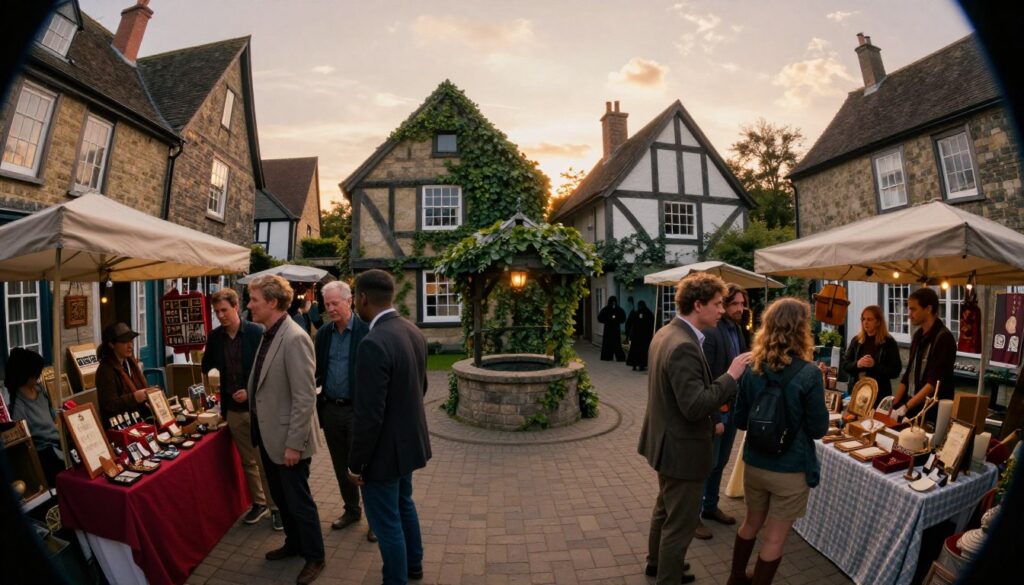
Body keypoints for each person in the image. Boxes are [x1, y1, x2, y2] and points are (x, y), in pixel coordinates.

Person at [637, 273, 751, 585]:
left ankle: (656, 564)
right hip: (681, 450)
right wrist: (730, 375)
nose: (721, 309)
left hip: (665, 443)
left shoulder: (666, 333)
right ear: (697, 305)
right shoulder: (683, 345)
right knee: (681, 524)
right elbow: (694, 405)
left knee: (664, 509)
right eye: (716, 304)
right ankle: (668, 577)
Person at [729, 297, 829, 585]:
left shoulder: (751, 368)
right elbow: (818, 429)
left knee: (750, 523)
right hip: (790, 468)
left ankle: (735, 579)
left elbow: (740, 421)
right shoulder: (809, 373)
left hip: (756, 464)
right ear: (801, 330)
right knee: (774, 538)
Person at [347, 269, 430, 585]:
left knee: (386, 523)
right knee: (404, 504)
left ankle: (396, 579)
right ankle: (415, 565)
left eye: (356, 298)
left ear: (363, 298)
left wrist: (355, 465)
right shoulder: (413, 330)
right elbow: (421, 387)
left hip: (382, 454)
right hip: (408, 445)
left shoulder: (373, 342)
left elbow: (368, 417)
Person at [246, 275, 324, 585]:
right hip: (269, 437)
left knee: (299, 501)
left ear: (273, 302)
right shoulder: (268, 332)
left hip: (289, 441)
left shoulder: (294, 337)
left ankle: (315, 556)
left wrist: (294, 444)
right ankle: (294, 544)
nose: (248, 305)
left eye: (254, 299)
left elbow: (305, 397)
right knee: (281, 496)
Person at [201, 288, 280, 529]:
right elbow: (206, 368)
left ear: (237, 308)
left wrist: (250, 389)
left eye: (224, 310)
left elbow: (270, 368)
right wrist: (208, 394)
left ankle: (276, 507)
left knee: (264, 460)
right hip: (232, 411)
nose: (221, 315)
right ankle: (259, 503)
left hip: (257, 409)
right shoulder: (215, 337)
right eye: (217, 312)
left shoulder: (257, 332)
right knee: (247, 460)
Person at [313, 281, 375, 542]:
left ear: (349, 301)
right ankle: (351, 510)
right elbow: (317, 370)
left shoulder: (367, 331)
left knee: (363, 466)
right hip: (330, 408)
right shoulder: (324, 334)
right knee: (340, 465)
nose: (330, 309)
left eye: (335, 303)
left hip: (357, 410)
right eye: (326, 304)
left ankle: (375, 519)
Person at [697, 283, 750, 539]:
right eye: (734, 304)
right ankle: (693, 517)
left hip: (734, 407)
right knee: (706, 464)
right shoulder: (713, 332)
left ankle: (709, 506)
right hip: (717, 410)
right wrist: (715, 417)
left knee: (721, 463)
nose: (740, 308)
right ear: (724, 306)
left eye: (742, 303)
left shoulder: (737, 330)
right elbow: (706, 378)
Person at [892, 288, 956, 423]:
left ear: (928, 309)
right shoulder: (918, 335)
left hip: (930, 412)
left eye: (913, 309)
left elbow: (933, 384)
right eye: (909, 309)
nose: (909, 314)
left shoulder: (944, 339)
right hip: (911, 406)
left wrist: (906, 407)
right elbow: (907, 374)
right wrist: (893, 404)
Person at [4, 348, 63, 486]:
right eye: (35, 374)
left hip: (57, 441)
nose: (38, 376)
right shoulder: (18, 403)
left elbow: (52, 413)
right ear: (26, 375)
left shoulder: (40, 389)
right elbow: (23, 437)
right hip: (44, 451)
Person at [842, 305, 902, 405]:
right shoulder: (857, 341)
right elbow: (845, 365)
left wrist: (875, 365)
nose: (865, 322)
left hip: (879, 395)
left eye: (869, 319)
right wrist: (857, 364)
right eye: (863, 319)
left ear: (878, 322)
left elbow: (895, 372)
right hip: (858, 393)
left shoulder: (889, 343)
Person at [95, 322, 150, 425]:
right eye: (125, 342)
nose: (130, 346)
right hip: (120, 426)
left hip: (137, 420)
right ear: (112, 344)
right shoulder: (105, 370)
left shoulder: (129, 363)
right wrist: (134, 398)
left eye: (131, 341)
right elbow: (109, 405)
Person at [625, 300, 654, 371]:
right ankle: (637, 365)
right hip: (640, 337)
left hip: (640, 337)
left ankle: (638, 365)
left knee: (638, 352)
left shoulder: (644, 313)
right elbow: (631, 323)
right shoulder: (641, 313)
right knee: (639, 352)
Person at [598, 296, 627, 361]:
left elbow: (623, 318)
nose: (613, 304)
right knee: (608, 344)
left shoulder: (618, 310)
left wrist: (617, 320)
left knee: (617, 344)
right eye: (612, 302)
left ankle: (619, 357)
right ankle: (607, 357)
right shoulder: (606, 309)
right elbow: (599, 318)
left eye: (614, 302)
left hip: (614, 330)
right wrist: (607, 320)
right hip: (609, 330)